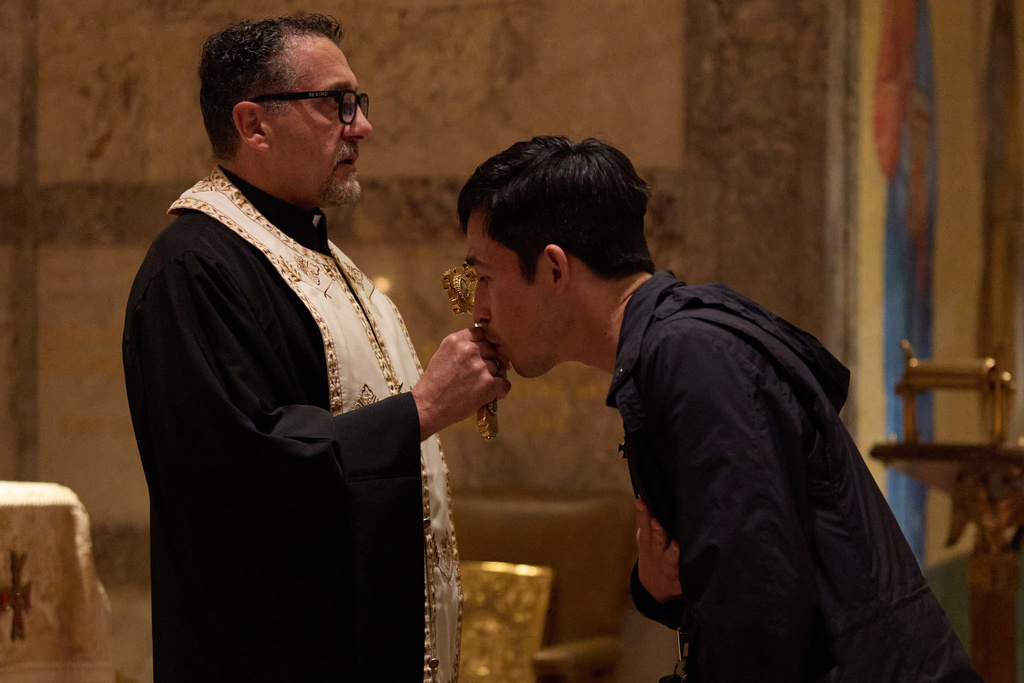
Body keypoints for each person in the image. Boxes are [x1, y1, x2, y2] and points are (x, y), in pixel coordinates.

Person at [456, 135, 981, 682]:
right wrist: (656, 586)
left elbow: (758, 607)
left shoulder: (691, 353)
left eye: (485, 278)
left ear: (555, 270)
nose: (479, 308)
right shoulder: (672, 345)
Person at [122, 14, 509, 682]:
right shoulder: (193, 267)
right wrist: (420, 409)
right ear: (254, 124)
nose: (361, 126)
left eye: (358, 104)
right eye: (336, 103)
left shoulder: (326, 261)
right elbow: (241, 475)